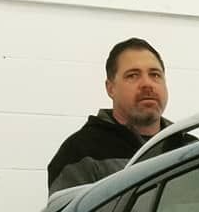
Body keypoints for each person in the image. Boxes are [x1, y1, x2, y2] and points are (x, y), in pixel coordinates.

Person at [47, 39, 171, 195]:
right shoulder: (80, 153)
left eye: (155, 75)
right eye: (133, 75)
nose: (147, 84)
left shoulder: (188, 148)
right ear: (110, 88)